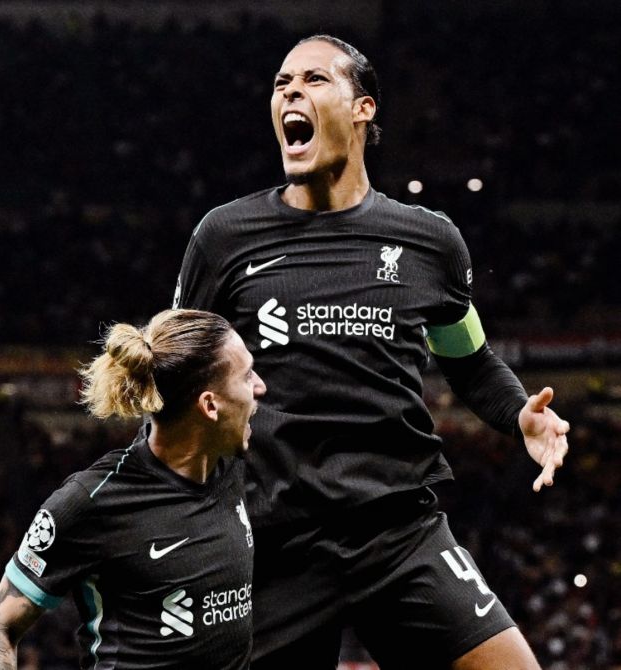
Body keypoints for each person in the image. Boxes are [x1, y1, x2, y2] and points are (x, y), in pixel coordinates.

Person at [172, 34, 570, 669]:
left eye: (313, 80)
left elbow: (467, 359)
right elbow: (175, 378)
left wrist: (518, 413)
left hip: (398, 533)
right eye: (281, 83)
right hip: (274, 544)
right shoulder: (224, 238)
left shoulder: (431, 242)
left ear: (363, 108)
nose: (290, 92)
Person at [0, 309, 266, 670]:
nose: (260, 387)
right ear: (210, 405)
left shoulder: (233, 465)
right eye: (247, 375)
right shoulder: (92, 501)